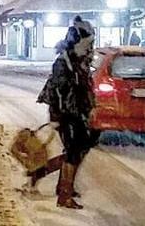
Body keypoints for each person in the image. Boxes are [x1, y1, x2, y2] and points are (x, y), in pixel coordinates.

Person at [30, 16, 96, 209]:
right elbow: (56, 90)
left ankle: (42, 175)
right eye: (88, 42)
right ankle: (64, 195)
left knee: (80, 149)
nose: (90, 47)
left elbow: (84, 87)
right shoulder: (63, 63)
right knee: (74, 151)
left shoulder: (79, 60)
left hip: (78, 112)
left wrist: (90, 106)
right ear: (78, 41)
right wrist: (56, 117)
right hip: (66, 114)